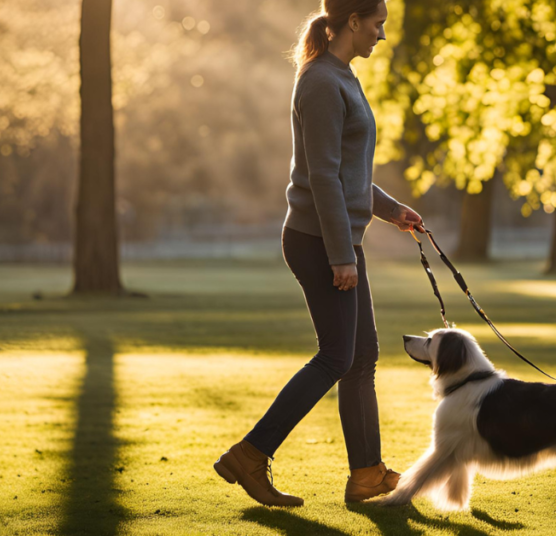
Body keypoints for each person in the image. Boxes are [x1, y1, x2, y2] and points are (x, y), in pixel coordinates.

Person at [213, 0, 423, 507]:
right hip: (319, 242)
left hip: (338, 240)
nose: (382, 35)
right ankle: (249, 455)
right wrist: (340, 256)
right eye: (378, 25)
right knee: (336, 356)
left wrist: (392, 210)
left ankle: (367, 473)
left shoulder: (342, 76)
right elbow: (323, 177)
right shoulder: (322, 82)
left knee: (361, 357)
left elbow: (348, 173)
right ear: (353, 22)